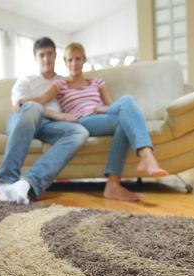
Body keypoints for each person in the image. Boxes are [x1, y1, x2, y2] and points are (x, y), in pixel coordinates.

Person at [29, 42, 168, 201]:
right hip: (82, 121)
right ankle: (146, 156)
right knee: (128, 102)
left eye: (78, 59)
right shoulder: (60, 84)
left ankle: (113, 185)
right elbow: (40, 100)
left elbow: (112, 106)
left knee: (126, 111)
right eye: (70, 60)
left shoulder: (97, 82)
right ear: (66, 63)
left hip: (102, 116)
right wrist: (23, 101)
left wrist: (105, 108)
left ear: (84, 60)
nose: (74, 63)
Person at [0, 37, 89, 205]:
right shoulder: (26, 80)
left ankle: (28, 183)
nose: (46, 59)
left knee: (80, 132)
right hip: (24, 121)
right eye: (42, 55)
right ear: (36, 58)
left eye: (50, 54)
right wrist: (57, 115)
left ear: (55, 56)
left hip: (49, 127)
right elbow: (20, 105)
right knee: (34, 107)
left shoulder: (64, 82)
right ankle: (6, 182)